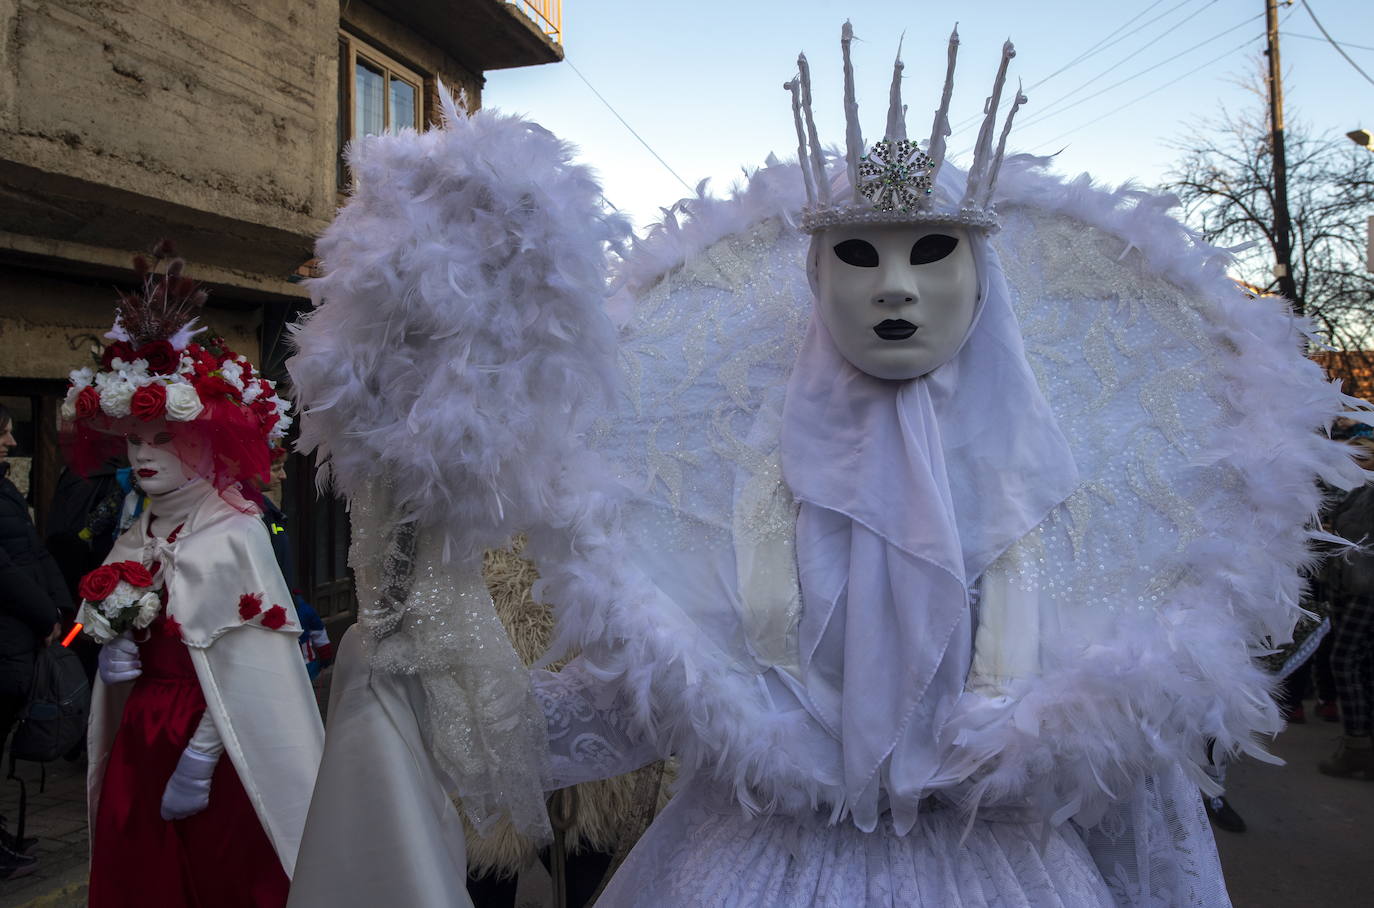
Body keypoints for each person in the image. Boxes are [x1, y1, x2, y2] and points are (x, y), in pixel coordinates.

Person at [286, 25, 1363, 908]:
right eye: (858, 253)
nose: (895, 285)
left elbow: (1139, 792)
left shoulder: (1070, 507)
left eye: (933, 249)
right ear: (814, 275)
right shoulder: (727, 494)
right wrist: (428, 657)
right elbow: (636, 709)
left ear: (983, 279)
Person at [62, 245, 324, 906]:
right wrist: (111, 639)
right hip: (142, 734)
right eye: (135, 440)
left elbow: (257, 669)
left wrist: (204, 757)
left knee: (222, 875)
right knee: (139, 872)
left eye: (163, 439)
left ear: (204, 440)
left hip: (222, 742)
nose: (144, 455)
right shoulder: (137, 527)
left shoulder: (236, 530)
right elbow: (99, 615)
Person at [0, 404, 69, 878]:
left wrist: (62, 607)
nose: (10, 442)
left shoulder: (5, 487)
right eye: (3, 433)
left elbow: (34, 550)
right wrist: (46, 615)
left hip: (20, 635)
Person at [1318, 437, 1374, 778]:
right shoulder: (1358, 490)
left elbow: (1353, 531)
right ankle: (1360, 742)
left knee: (1344, 658)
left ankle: (1357, 745)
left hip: (1364, 588)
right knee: (1361, 661)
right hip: (1348, 585)